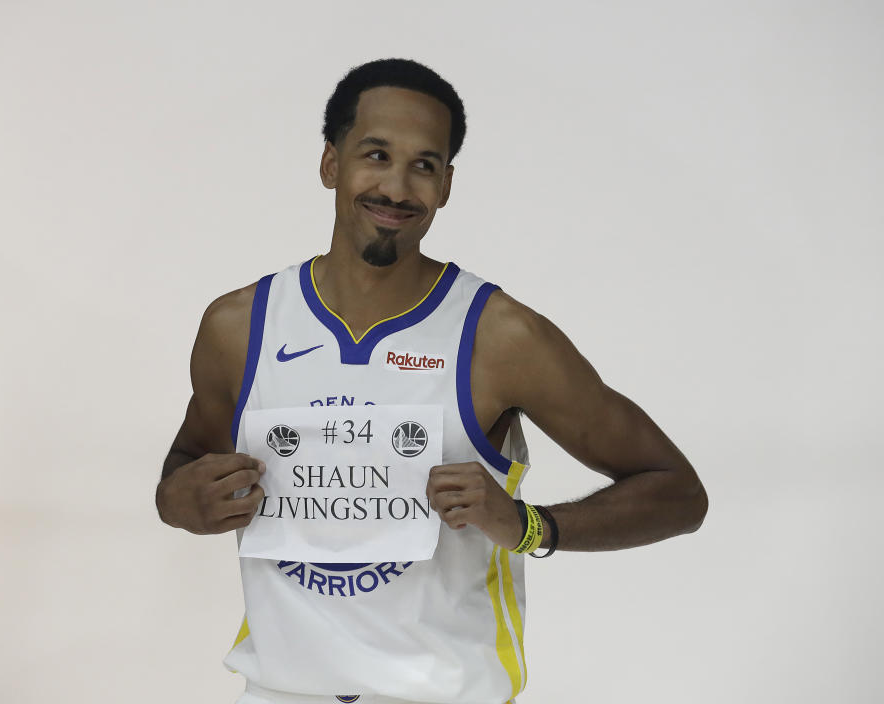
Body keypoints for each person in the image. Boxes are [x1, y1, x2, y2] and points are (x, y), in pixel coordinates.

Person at [156, 58, 708, 704]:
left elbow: (677, 492)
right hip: (279, 691)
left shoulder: (500, 338)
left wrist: (528, 526)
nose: (397, 188)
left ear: (446, 185)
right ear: (331, 164)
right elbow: (183, 467)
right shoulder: (240, 327)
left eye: (424, 165)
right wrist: (180, 502)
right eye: (376, 155)